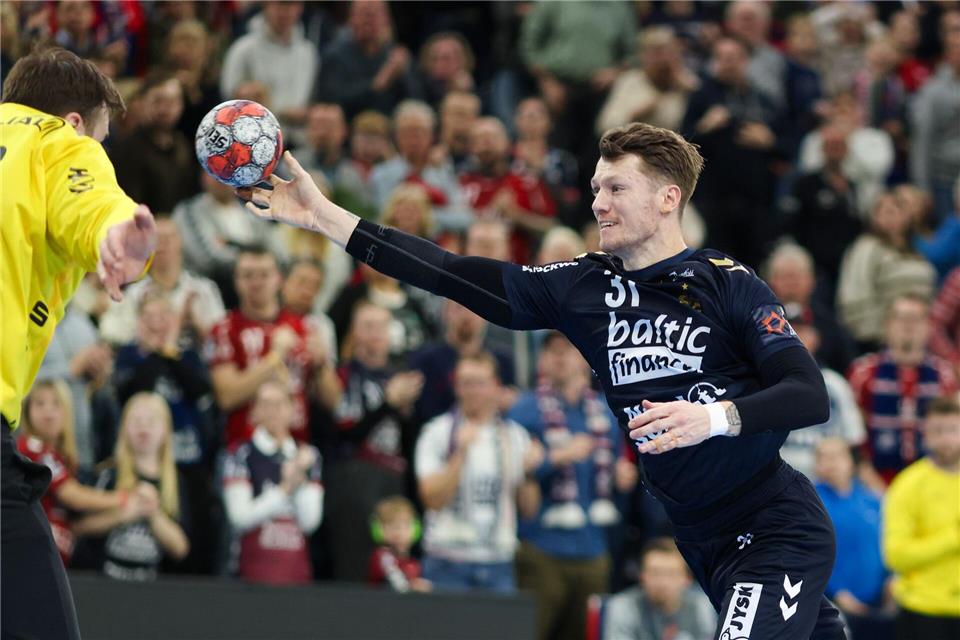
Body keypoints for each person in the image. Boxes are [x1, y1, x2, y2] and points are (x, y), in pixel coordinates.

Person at [239, 120, 847, 639]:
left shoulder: (728, 282)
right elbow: (452, 273)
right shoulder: (584, 286)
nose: (597, 203)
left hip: (771, 523)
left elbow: (807, 395)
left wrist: (711, 417)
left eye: (615, 187)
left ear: (668, 198)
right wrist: (327, 219)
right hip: (699, 538)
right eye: (594, 189)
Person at [1, 47, 157, 640]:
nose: (102, 151)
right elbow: (93, 202)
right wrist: (121, 239)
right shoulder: (55, 142)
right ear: (74, 123)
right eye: (103, 138)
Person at [509, 332, 636, 640]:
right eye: (553, 352)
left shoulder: (604, 411)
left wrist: (623, 475)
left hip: (593, 548)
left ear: (584, 358)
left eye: (568, 349)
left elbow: (616, 471)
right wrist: (558, 456)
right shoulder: (525, 409)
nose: (561, 357)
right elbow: (514, 473)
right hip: (542, 548)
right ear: (542, 360)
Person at [415, 353, 541, 593]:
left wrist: (529, 473)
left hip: (498, 562)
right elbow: (432, 500)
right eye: (465, 383)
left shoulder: (516, 436)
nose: (471, 391)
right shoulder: (436, 432)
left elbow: (529, 510)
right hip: (447, 561)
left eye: (479, 383)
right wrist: (459, 455)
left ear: (496, 387)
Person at [74, 392, 190, 581]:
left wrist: (153, 514)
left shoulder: (175, 482)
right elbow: (79, 527)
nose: (143, 427)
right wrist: (124, 514)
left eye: (151, 421)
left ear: (166, 430)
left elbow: (181, 548)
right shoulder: (108, 474)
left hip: (151, 591)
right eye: (136, 421)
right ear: (124, 428)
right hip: (102, 582)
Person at [847, 293, 958, 488]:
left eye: (916, 319)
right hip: (875, 482)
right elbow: (853, 437)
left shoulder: (944, 375)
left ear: (928, 327)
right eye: (901, 318)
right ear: (888, 325)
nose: (909, 326)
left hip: (933, 482)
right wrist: (875, 488)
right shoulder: (863, 373)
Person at [17, 379, 131, 566]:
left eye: (56, 404)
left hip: (57, 559)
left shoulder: (64, 459)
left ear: (67, 412)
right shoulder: (32, 448)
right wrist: (122, 498)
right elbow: (72, 496)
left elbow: (75, 526)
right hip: (33, 556)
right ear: (28, 412)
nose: (48, 411)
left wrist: (125, 513)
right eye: (39, 403)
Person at [222, 380, 323, 585]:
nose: (273, 411)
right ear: (254, 411)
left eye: (280, 404)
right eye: (266, 404)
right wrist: (285, 488)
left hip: (295, 574)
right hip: (250, 575)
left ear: (293, 409)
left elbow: (310, 522)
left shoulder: (308, 456)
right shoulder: (240, 454)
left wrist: (300, 479)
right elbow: (240, 517)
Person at [883, 395, 960, 640]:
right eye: (938, 430)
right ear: (925, 433)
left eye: (953, 430)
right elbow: (895, 555)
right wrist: (954, 538)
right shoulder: (908, 485)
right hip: (922, 610)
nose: (946, 438)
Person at [603, 537, 716, 640]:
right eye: (655, 573)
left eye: (671, 574)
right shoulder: (621, 606)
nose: (662, 582)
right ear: (642, 576)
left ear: (687, 579)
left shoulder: (702, 605)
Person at [367, 495, 431, 593]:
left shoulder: (413, 563)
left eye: (405, 526)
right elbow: (399, 586)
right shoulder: (382, 556)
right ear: (378, 531)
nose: (399, 533)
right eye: (392, 527)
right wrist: (412, 587)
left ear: (416, 529)